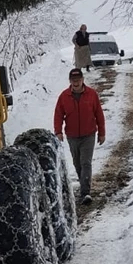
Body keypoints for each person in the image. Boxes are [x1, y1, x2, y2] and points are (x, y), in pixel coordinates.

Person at [53, 68, 105, 204]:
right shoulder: (64, 96)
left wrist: (102, 133)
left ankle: (85, 192)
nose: (76, 83)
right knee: (77, 163)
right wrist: (58, 131)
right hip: (72, 136)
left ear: (83, 80)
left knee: (85, 162)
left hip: (89, 134)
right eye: (73, 81)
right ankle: (83, 183)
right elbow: (58, 115)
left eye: (78, 80)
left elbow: (99, 114)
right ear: (70, 81)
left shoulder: (92, 94)